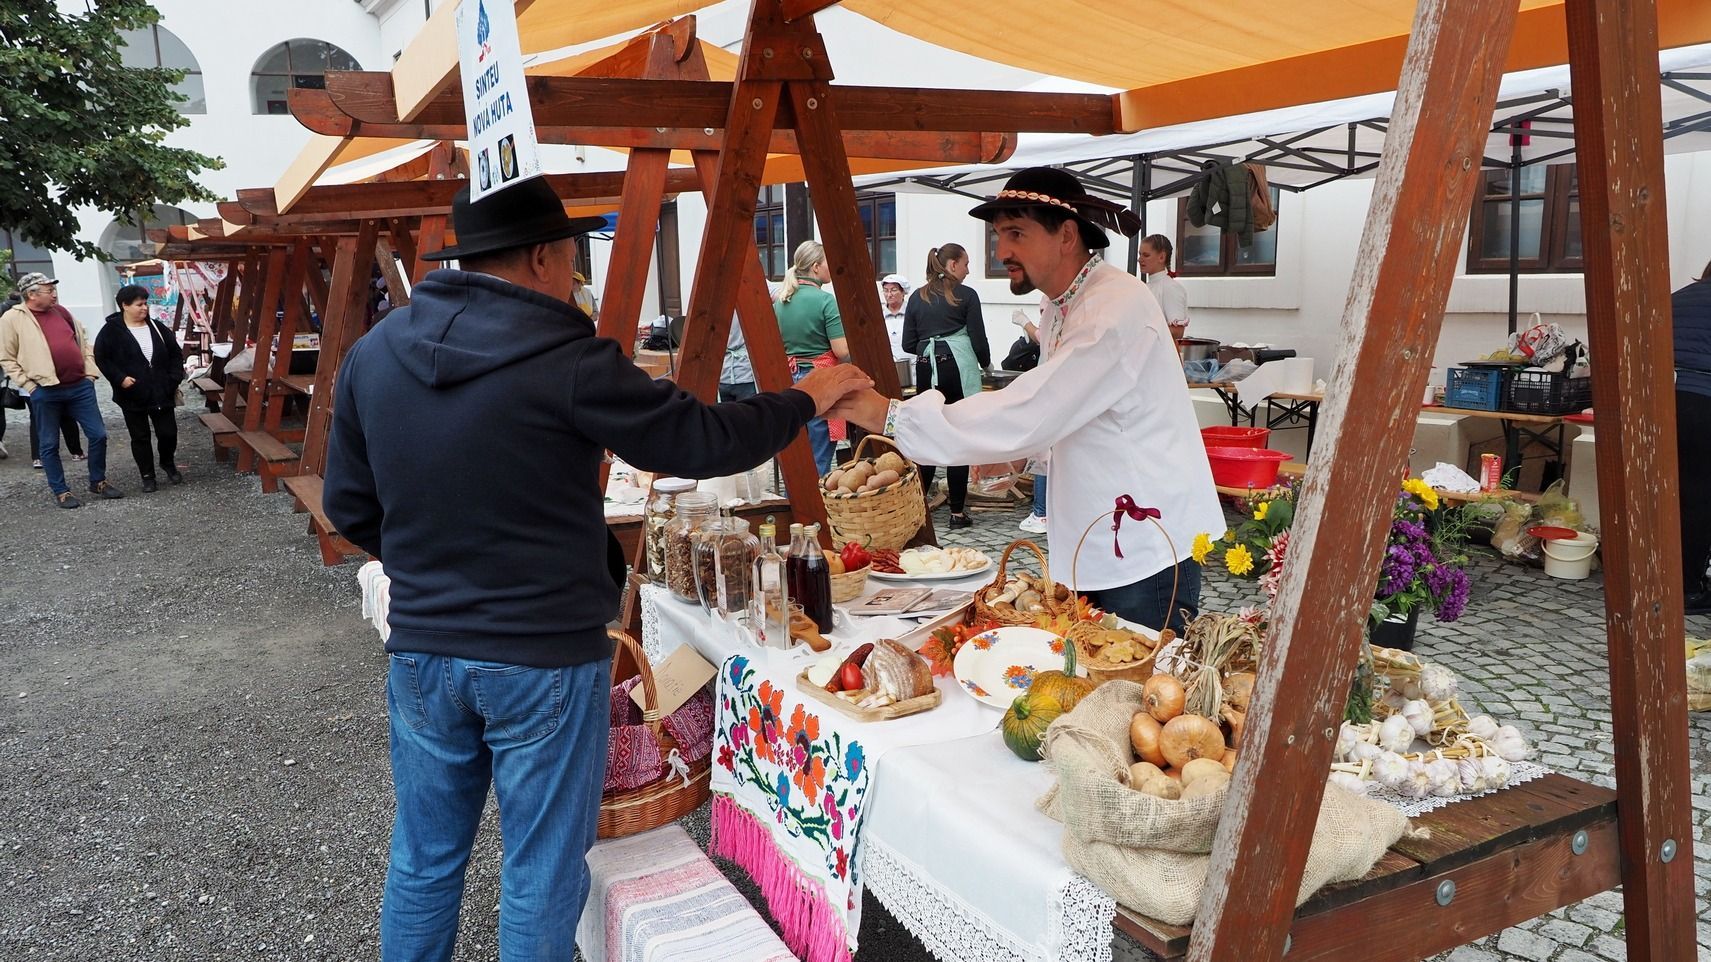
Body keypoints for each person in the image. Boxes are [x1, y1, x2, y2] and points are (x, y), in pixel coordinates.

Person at [321, 178, 871, 961]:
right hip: (542, 649)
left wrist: (431, 559)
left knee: (424, 856)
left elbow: (352, 506)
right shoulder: (563, 358)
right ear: (544, 256)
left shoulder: (376, 354)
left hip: (425, 644)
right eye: (570, 254)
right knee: (541, 869)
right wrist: (805, 399)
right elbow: (701, 442)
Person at [831, 167, 1223, 632]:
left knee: (1134, 694)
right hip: (1098, 541)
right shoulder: (1062, 302)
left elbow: (1033, 410)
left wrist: (890, 415)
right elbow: (1058, 417)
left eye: (1016, 233)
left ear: (1067, 235)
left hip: (1144, 554)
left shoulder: (1113, 309)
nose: (1002, 251)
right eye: (998, 235)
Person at [0, 272, 122, 507]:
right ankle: (61, 490)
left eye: (53, 289)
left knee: (98, 434)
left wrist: (89, 373)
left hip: (80, 386)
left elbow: (82, 340)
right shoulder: (12, 319)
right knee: (49, 444)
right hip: (45, 389)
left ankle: (98, 481)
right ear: (32, 294)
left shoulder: (62, 311)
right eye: (49, 290)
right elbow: (6, 358)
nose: (54, 294)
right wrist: (29, 386)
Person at [902, 243, 989, 530]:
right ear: (952, 265)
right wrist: (986, 364)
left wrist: (930, 346)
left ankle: (917, 508)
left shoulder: (916, 297)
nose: (968, 269)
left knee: (928, 436)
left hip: (928, 369)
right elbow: (978, 340)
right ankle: (957, 513)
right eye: (966, 263)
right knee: (956, 437)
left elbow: (907, 344)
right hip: (956, 369)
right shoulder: (966, 295)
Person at [94, 284, 186, 492]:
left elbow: (175, 354)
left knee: (168, 433)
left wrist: (173, 378)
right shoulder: (111, 331)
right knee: (140, 437)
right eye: (139, 304)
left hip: (162, 391)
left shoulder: (157, 327)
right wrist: (120, 378)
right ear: (124, 306)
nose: (144, 308)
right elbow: (102, 358)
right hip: (132, 394)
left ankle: (167, 463)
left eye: (146, 304)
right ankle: (147, 475)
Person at [773, 240, 850, 474]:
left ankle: (794, 500)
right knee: (820, 452)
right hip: (819, 380)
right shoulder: (825, 300)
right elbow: (841, 351)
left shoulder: (782, 301)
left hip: (790, 377)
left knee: (796, 448)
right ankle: (817, 506)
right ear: (816, 267)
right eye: (828, 262)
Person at [1673, 257, 1711, 616]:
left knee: (1666, 492)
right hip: (1703, 403)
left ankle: (1648, 573)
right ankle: (1686, 588)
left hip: (1658, 404)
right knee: (1699, 498)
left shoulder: (1678, 297)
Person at [1138, 234, 1190, 339]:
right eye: (1140, 255)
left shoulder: (1170, 288)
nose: (1140, 259)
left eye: (1146, 255)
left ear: (1161, 257)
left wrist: (1139, 332)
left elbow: (1177, 332)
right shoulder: (1145, 287)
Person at [879, 273, 912, 364]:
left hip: (911, 367)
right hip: (886, 366)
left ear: (903, 292)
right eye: (886, 291)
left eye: (893, 290)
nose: (889, 295)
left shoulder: (912, 313)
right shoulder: (879, 316)